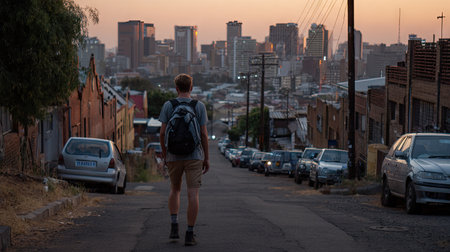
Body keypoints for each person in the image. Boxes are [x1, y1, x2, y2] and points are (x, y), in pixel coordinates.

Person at [159, 74, 209, 246]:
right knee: (193, 193)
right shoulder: (199, 106)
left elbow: (162, 133)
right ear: (191, 88)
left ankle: (174, 226)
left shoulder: (169, 105)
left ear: (176, 88)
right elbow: (203, 134)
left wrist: (165, 155)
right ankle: (189, 233)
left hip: (173, 155)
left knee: (175, 189)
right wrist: (206, 158)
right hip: (194, 155)